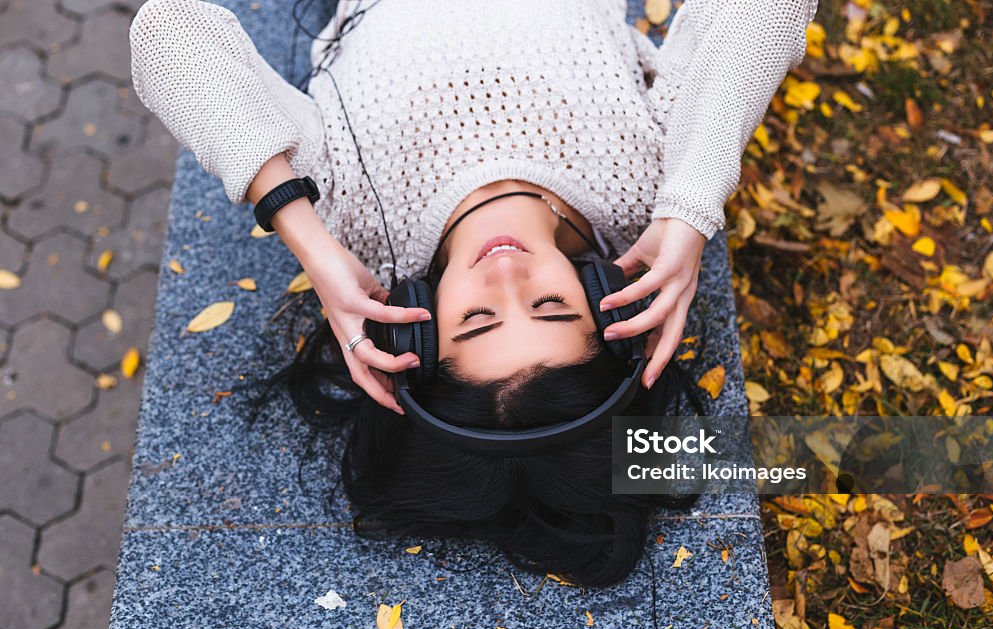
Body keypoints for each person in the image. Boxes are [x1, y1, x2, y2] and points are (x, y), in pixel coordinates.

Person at [128, 0, 817, 586]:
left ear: (419, 326)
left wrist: (304, 234)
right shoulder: (646, 190)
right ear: (598, 291)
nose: (507, 276)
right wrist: (695, 201)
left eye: (478, 318)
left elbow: (166, 31)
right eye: (551, 306)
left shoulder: (357, 217)